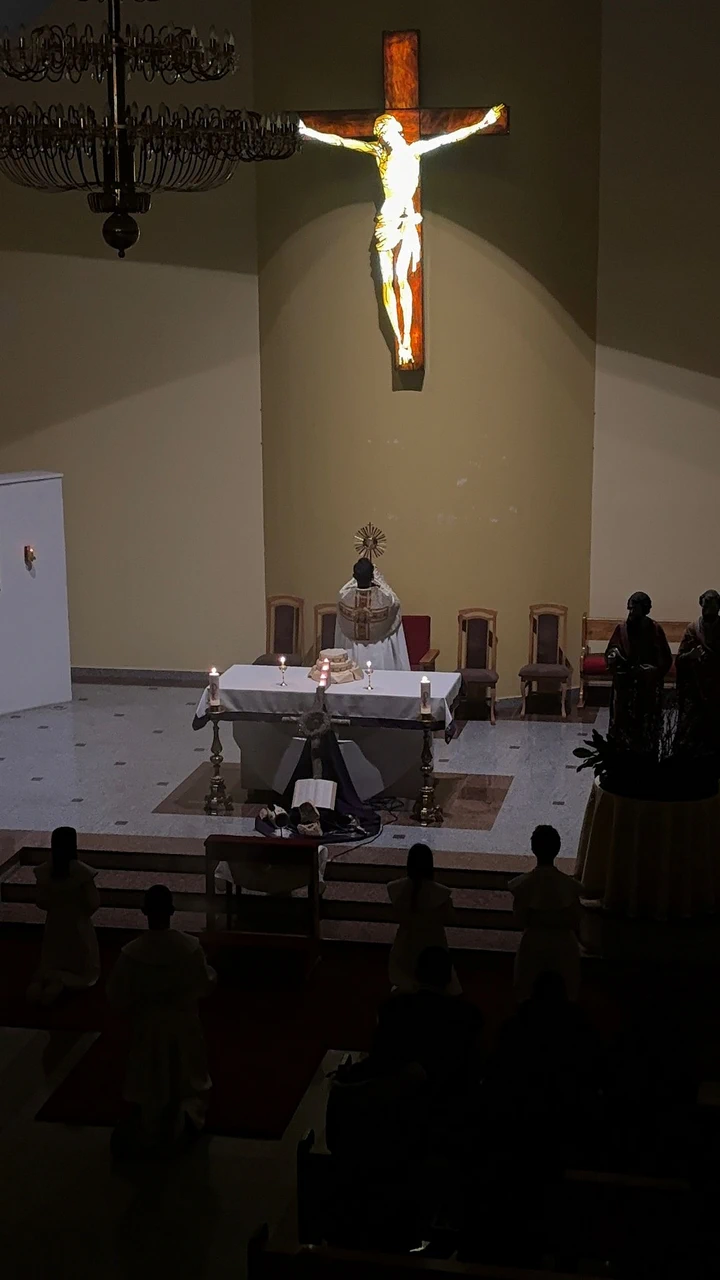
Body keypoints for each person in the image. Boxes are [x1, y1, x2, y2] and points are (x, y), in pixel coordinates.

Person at [299, 106, 503, 366]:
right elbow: (341, 141)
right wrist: (309, 132)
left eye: (384, 129)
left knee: (401, 279)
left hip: (406, 221)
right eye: (379, 132)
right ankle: (401, 342)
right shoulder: (378, 154)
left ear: (396, 129)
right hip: (386, 221)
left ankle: (406, 340)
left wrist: (483, 123)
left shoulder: (415, 150)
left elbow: (450, 138)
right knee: (387, 282)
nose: (382, 135)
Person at [106, 885, 217, 1154]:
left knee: (149, 1078)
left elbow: (117, 996)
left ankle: (150, 1120)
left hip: (148, 1027)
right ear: (172, 912)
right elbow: (204, 984)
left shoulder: (132, 954)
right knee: (186, 1078)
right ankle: (186, 1118)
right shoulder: (189, 948)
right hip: (183, 1025)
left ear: (145, 912)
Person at [27, 827, 100, 1006]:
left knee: (53, 956)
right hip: (77, 924)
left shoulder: (45, 872)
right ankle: (60, 983)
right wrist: (82, 913)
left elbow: (41, 901)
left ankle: (42, 984)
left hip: (55, 923)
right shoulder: (82, 873)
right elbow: (93, 902)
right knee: (80, 959)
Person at [509, 826, 582, 1003]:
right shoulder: (568, 886)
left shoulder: (524, 885)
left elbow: (519, 919)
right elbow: (576, 919)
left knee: (528, 991)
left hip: (533, 942)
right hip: (564, 944)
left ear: (533, 849)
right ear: (558, 848)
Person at [605, 592, 672, 752]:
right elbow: (612, 649)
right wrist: (613, 655)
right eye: (630, 609)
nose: (631, 613)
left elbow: (665, 659)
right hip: (625, 686)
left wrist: (652, 670)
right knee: (622, 728)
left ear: (645, 610)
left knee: (646, 731)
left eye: (635, 610)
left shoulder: (655, 630)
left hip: (647, 688)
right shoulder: (622, 629)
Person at [387, 843, 459, 993]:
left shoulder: (396, 890)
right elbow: (451, 918)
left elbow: (396, 915)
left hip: (406, 945)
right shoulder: (440, 894)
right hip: (434, 945)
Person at [335, 556, 410, 670]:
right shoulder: (385, 599)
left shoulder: (345, 598)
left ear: (354, 576)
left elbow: (342, 591)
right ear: (372, 576)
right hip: (379, 651)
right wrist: (379, 579)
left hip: (353, 651)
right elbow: (395, 603)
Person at [676, 590, 720, 756]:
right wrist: (691, 655)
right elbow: (680, 659)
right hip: (695, 689)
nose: (707, 611)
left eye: (712, 608)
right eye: (705, 607)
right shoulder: (693, 629)